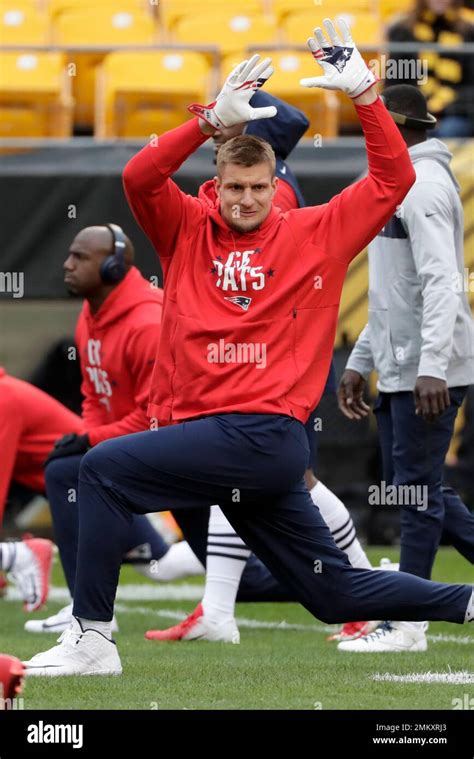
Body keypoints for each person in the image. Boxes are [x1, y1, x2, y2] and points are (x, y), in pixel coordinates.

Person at [22, 20, 474, 678]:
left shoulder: (311, 231)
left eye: (260, 187)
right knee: (330, 592)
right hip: (225, 443)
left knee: (99, 470)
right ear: (217, 182)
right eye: (235, 187)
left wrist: (366, 99)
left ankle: (92, 639)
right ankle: (465, 601)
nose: (247, 200)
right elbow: (140, 175)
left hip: (261, 434)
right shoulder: (184, 227)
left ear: (276, 184)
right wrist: (206, 121)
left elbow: (392, 177)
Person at [149, 90, 376, 645]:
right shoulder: (250, 185)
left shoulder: (269, 196)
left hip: (277, 362)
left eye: (230, 123)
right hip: (255, 362)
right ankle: (223, 606)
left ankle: (360, 588)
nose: (220, 130)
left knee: (257, 476)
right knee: (266, 481)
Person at [337, 84, 474, 652]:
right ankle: (407, 615)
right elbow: (397, 293)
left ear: (395, 130)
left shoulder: (422, 188)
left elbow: (444, 282)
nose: (369, 133)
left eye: (375, 124)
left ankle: (408, 624)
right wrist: (361, 361)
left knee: (415, 496)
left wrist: (432, 367)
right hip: (405, 364)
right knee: (420, 492)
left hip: (426, 369)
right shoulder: (402, 184)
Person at [26, 224, 203, 635]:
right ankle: (85, 608)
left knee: (254, 577)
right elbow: (93, 394)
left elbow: (156, 417)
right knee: (71, 471)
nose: (66, 265)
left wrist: (89, 442)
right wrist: (89, 440)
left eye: (79, 257)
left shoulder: (146, 323)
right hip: (138, 449)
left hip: (181, 450)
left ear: (111, 266)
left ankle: (86, 611)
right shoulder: (93, 314)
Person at [0, 369, 82, 611]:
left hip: (89, 485)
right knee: (163, 564)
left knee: (157, 562)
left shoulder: (5, 399)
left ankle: (18, 555)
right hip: (73, 485)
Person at [387, 0, 474, 136]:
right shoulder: (403, 31)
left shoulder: (468, 32)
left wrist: (443, 107)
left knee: (449, 130)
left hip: (455, 114)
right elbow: (395, 83)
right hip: (413, 113)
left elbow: (470, 86)